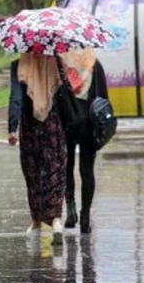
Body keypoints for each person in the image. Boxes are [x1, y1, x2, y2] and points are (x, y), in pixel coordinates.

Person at [8, 53, 67, 245]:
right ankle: (56, 220)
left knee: (33, 173)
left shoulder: (19, 65)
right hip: (53, 126)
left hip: (30, 128)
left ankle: (37, 221)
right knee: (55, 171)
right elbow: (64, 94)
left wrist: (12, 128)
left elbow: (16, 98)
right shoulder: (56, 62)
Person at [60, 49, 109, 234]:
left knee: (67, 168)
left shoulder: (62, 66)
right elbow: (103, 99)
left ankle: (71, 210)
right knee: (87, 171)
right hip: (89, 125)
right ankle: (85, 216)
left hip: (67, 123)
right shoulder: (95, 65)